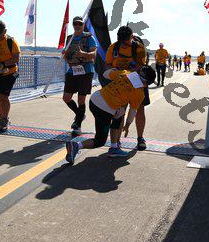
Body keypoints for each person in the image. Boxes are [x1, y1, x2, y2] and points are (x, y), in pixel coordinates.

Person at [65, 65, 156, 165]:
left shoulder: (125, 73)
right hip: (104, 109)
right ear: (146, 82)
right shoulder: (139, 93)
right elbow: (132, 112)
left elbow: (105, 74)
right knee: (99, 141)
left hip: (95, 99)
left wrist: (114, 70)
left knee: (120, 113)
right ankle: (76, 146)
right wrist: (127, 125)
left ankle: (114, 147)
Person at [105, 26, 148, 154]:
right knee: (120, 111)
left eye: (127, 41)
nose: (124, 44)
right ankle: (116, 142)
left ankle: (140, 138)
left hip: (137, 81)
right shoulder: (113, 47)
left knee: (139, 108)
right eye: (122, 41)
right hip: (120, 83)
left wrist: (129, 71)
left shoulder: (139, 48)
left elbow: (141, 65)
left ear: (132, 37)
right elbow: (107, 65)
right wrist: (115, 72)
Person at [62, 16, 97, 136]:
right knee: (66, 97)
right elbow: (67, 54)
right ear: (73, 25)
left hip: (86, 71)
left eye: (80, 24)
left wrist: (83, 54)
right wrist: (65, 54)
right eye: (75, 24)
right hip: (72, 71)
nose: (77, 26)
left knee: (81, 99)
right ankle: (80, 115)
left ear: (83, 25)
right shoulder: (70, 38)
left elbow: (94, 54)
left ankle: (78, 125)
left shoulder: (89, 37)